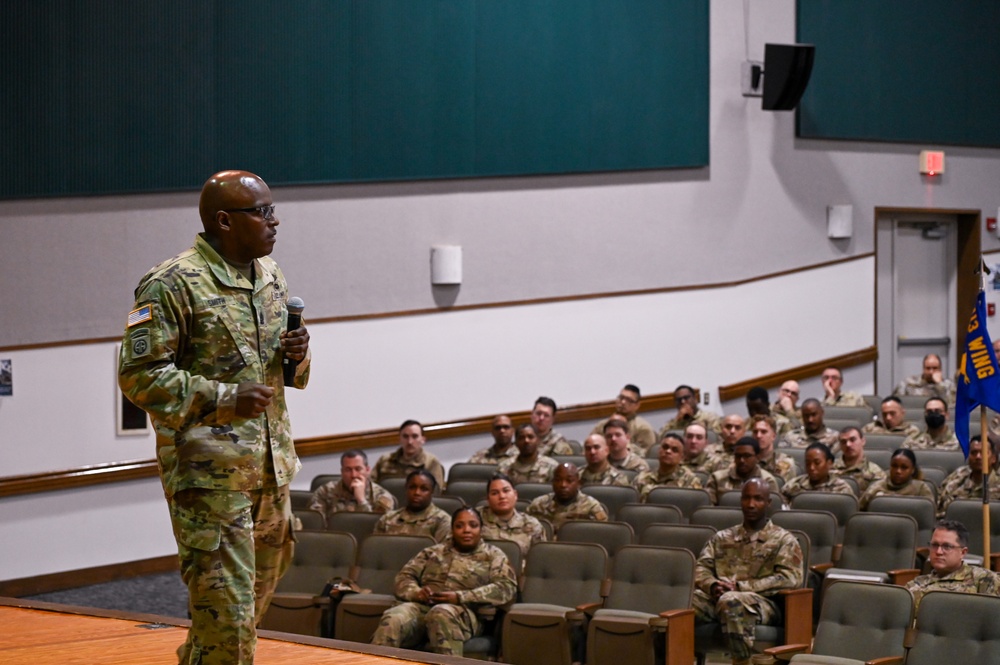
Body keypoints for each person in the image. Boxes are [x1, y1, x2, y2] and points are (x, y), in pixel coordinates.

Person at [118, 170, 311, 665]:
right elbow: (138, 377)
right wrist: (225, 397)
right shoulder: (172, 284)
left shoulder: (271, 277)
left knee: (238, 616)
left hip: (270, 468)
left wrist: (300, 354)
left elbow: (280, 371)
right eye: (262, 212)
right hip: (209, 478)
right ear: (225, 221)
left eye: (273, 210)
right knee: (229, 617)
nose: (275, 221)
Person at [371, 507, 517, 656]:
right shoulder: (433, 552)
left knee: (441, 613)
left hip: (466, 614)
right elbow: (403, 577)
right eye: (459, 526)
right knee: (394, 617)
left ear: (481, 529)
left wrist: (461, 597)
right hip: (424, 607)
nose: (466, 530)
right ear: (452, 529)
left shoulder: (493, 555)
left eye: (473, 525)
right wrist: (417, 593)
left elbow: (506, 587)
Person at [693, 478, 803, 665]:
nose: (751, 504)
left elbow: (790, 578)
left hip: (765, 603)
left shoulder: (783, 540)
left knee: (732, 600)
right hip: (719, 598)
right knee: (685, 600)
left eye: (758, 499)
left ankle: (741, 662)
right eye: (746, 498)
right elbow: (700, 569)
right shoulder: (722, 537)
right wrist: (712, 586)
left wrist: (740, 587)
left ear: (768, 503)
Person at [905, 520, 1000, 610]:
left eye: (947, 546)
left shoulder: (984, 579)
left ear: (963, 552)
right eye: (934, 545)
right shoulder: (915, 585)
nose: (938, 552)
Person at [309, 449, 395, 520]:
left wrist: (361, 500)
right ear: (342, 472)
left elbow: (377, 529)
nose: (353, 475)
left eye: (358, 469)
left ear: (367, 470)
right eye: (348, 470)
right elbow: (316, 523)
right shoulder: (325, 492)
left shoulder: (382, 497)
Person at [479, 473, 548, 560]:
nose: (502, 496)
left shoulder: (532, 525)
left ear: (515, 495)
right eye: (495, 493)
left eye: (506, 491)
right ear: (488, 499)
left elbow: (541, 561)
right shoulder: (476, 519)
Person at [374, 470, 451, 543]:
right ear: (406, 488)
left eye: (424, 489)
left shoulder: (442, 521)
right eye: (412, 487)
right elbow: (376, 550)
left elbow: (443, 554)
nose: (417, 493)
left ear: (432, 492)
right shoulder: (387, 518)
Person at [526, 463, 608, 531]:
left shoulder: (591, 506)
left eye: (569, 481)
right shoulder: (538, 504)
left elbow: (602, 534)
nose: (563, 485)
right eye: (558, 480)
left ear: (578, 483)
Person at [937, 436, 1000, 517]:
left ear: (993, 458)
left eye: (983, 452)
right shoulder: (957, 476)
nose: (978, 457)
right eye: (973, 453)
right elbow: (939, 507)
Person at [372, 420, 447, 489]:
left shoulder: (431, 462)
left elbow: (436, 493)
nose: (410, 442)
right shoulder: (385, 460)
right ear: (399, 439)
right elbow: (370, 485)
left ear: (423, 440)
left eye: (415, 436)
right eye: (405, 436)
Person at [705, 437, 780, 505]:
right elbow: (710, 510)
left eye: (747, 456)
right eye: (738, 456)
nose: (742, 460)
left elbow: (771, 510)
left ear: (757, 457)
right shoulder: (717, 479)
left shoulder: (767, 481)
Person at [633, 433, 704, 501]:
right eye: (665, 447)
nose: (668, 451)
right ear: (659, 450)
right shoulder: (642, 478)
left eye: (675, 450)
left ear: (681, 457)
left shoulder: (690, 481)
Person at [858, 448, 934, 510]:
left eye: (904, 467)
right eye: (894, 466)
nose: (898, 471)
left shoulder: (920, 489)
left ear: (912, 470)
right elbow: (859, 511)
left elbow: (929, 516)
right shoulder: (877, 487)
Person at [591, 384, 658, 454]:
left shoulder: (643, 428)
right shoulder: (602, 425)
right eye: (621, 398)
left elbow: (648, 455)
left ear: (637, 405)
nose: (623, 402)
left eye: (629, 400)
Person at [780, 443, 855, 503]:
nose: (811, 468)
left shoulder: (842, 489)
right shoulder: (793, 486)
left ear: (829, 463)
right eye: (808, 463)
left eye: (817, 463)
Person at [831, 426, 885, 494]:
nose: (848, 444)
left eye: (852, 440)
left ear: (863, 441)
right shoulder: (829, 468)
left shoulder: (875, 472)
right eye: (843, 442)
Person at [750, 415, 799, 484]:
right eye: (755, 432)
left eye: (763, 432)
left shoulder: (785, 462)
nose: (758, 436)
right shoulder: (746, 460)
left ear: (773, 436)